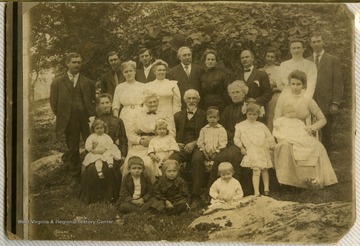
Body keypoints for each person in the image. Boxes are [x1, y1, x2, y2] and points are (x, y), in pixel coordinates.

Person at [274, 70, 338, 188]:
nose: (295, 87)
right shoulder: (283, 99)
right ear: (289, 84)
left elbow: (323, 119)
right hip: (286, 131)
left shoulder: (308, 100)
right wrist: (282, 133)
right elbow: (276, 119)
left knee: (317, 146)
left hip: (303, 132)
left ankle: (311, 179)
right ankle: (288, 182)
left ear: (304, 85)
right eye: (293, 84)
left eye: (298, 84)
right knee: (286, 146)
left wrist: (312, 128)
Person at [50, 52, 96, 188]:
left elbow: (92, 100)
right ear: (67, 63)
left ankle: (91, 172)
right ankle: (75, 176)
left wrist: (91, 116)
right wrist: (64, 116)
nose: (77, 65)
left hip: (86, 119)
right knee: (73, 147)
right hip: (69, 120)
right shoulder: (58, 82)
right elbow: (54, 103)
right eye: (74, 62)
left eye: (79, 62)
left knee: (91, 144)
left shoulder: (87, 81)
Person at [78, 94, 127, 204]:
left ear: (111, 104)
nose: (105, 105)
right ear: (99, 105)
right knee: (91, 169)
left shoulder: (118, 120)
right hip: (96, 152)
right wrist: (92, 151)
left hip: (111, 151)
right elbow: (89, 140)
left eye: (107, 102)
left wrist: (123, 155)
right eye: (102, 103)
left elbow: (123, 140)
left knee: (110, 168)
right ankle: (94, 198)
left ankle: (110, 197)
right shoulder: (95, 121)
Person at [122, 92, 175, 183]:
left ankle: (152, 191)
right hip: (140, 145)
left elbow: (172, 132)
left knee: (149, 164)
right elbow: (130, 133)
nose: (153, 104)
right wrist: (140, 141)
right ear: (145, 103)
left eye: (155, 101)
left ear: (158, 102)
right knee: (129, 164)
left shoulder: (165, 113)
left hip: (158, 146)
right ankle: (131, 191)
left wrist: (158, 140)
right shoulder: (137, 114)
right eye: (150, 102)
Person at [206, 81, 247, 192]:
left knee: (233, 156)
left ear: (244, 93)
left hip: (244, 142)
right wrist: (230, 137)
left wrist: (238, 139)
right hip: (228, 141)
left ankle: (237, 190)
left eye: (238, 92)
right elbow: (222, 127)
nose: (235, 95)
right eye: (232, 93)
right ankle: (212, 191)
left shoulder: (247, 108)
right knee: (220, 157)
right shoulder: (227, 109)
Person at [169, 89, 207, 208]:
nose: (191, 101)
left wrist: (194, 143)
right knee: (172, 160)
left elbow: (207, 134)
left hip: (197, 146)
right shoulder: (177, 116)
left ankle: (196, 195)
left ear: (198, 100)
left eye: (194, 98)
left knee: (198, 159)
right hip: (181, 146)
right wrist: (176, 143)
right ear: (184, 100)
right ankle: (176, 195)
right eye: (189, 98)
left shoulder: (204, 115)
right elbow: (172, 133)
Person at [307, 33, 343, 151]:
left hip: (326, 102)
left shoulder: (333, 60)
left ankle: (326, 158)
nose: (316, 44)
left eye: (318, 41)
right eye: (314, 42)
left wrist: (335, 102)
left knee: (326, 131)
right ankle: (312, 155)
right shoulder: (307, 61)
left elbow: (337, 82)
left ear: (323, 42)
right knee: (309, 129)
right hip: (310, 101)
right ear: (310, 44)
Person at [234, 103, 275, 196]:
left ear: (258, 115)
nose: (252, 116)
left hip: (262, 149)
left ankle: (266, 189)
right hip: (251, 150)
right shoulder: (241, 125)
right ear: (246, 113)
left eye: (254, 114)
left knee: (264, 168)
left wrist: (271, 144)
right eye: (250, 114)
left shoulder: (261, 125)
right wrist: (241, 147)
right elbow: (236, 138)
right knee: (256, 169)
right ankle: (256, 191)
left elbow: (269, 137)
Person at [234, 49, 272, 121]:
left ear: (252, 58)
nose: (244, 59)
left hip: (257, 111)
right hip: (241, 111)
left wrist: (256, 100)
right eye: (242, 58)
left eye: (247, 57)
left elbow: (268, 93)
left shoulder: (261, 74)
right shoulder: (237, 75)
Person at [112, 61, 145, 133]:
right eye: (126, 72)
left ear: (135, 72)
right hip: (125, 114)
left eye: (131, 71)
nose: (129, 73)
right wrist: (116, 120)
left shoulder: (142, 86)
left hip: (140, 113)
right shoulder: (119, 87)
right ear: (123, 74)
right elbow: (115, 105)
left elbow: (146, 103)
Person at [197, 107, 227, 172]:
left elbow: (223, 143)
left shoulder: (221, 129)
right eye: (210, 117)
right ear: (207, 118)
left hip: (217, 152)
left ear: (218, 118)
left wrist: (216, 152)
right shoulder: (204, 129)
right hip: (206, 152)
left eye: (214, 117)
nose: (212, 119)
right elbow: (200, 142)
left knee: (216, 169)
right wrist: (204, 152)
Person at [260, 47, 283, 132]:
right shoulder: (260, 70)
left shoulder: (279, 69)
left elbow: (282, 85)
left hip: (274, 96)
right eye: (268, 56)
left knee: (272, 116)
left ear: (275, 58)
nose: (269, 59)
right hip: (263, 96)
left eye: (272, 57)